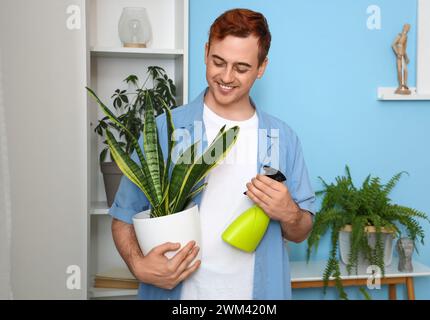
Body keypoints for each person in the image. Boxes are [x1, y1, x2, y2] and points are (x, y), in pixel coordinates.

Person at [109, 8, 315, 300]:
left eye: (242, 68)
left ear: (261, 67)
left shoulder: (283, 139)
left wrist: (290, 213)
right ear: (206, 52)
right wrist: (138, 265)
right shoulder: (165, 130)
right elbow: (123, 216)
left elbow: (300, 231)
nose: (226, 77)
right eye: (218, 62)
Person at [392, 23, 411, 95]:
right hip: (399, 56)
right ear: (404, 27)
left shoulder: (406, 37)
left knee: (405, 70)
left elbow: (404, 48)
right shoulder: (399, 35)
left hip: (402, 55)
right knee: (399, 70)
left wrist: (406, 57)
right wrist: (397, 53)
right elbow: (393, 44)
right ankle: (400, 85)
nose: (408, 29)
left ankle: (405, 84)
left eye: (408, 28)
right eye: (407, 27)